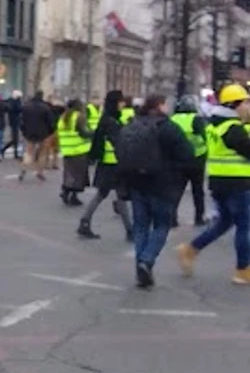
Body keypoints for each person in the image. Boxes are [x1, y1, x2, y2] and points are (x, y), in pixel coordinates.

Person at [117, 93, 194, 288]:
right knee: (161, 225)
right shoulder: (168, 127)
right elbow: (187, 154)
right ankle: (147, 260)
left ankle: (140, 269)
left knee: (141, 226)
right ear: (159, 106)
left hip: (136, 183)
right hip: (162, 183)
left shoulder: (133, 124)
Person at [177, 83, 250, 284]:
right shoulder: (232, 128)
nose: (248, 106)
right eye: (246, 102)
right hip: (237, 182)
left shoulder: (215, 124)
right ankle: (243, 269)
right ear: (234, 105)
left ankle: (190, 249)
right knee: (244, 226)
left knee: (224, 222)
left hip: (219, 183)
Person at [77, 90, 134, 240]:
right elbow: (118, 142)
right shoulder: (111, 121)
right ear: (115, 103)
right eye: (121, 101)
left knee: (105, 194)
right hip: (113, 163)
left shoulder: (109, 118)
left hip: (108, 163)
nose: (123, 104)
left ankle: (85, 221)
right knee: (118, 194)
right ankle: (130, 230)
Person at [170, 95, 208, 227]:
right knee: (197, 191)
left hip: (178, 160)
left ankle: (172, 218)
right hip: (196, 159)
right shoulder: (196, 119)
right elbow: (204, 137)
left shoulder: (173, 119)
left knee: (176, 190)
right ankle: (199, 217)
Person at [57, 98, 92, 206]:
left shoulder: (63, 117)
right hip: (79, 149)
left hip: (67, 149)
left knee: (69, 173)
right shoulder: (78, 117)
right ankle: (73, 196)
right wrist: (93, 133)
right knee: (79, 175)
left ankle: (66, 191)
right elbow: (83, 132)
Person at [3, 90, 23, 160]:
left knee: (15, 138)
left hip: (14, 121)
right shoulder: (14, 102)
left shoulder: (10, 101)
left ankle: (14, 152)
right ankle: (6, 150)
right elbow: (19, 109)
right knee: (15, 138)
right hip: (15, 121)